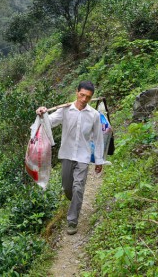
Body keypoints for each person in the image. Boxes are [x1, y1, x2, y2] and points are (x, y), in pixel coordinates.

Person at [36, 80, 104, 235]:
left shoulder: (94, 115)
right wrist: (43, 113)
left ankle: (72, 221)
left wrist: (99, 161)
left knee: (78, 187)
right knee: (68, 188)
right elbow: (50, 122)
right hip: (67, 153)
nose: (84, 99)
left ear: (91, 97)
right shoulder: (65, 110)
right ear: (76, 92)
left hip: (83, 156)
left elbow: (98, 139)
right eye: (82, 95)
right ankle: (75, 200)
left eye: (88, 97)